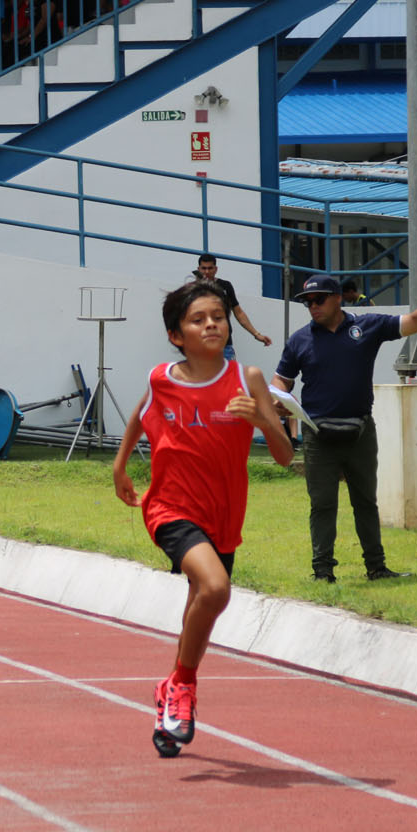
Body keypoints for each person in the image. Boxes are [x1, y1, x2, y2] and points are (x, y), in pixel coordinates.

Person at [113, 281, 292, 758]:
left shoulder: (248, 378)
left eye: (218, 316)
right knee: (215, 588)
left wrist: (263, 420)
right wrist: (120, 466)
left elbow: (285, 457)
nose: (212, 324)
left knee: (203, 602)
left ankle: (172, 692)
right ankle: (183, 684)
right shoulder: (161, 379)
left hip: (224, 516)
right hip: (170, 508)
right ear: (177, 335)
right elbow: (141, 414)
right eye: (198, 319)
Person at [271, 267, 417, 583]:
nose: (312, 306)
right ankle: (322, 571)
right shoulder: (299, 340)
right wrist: (278, 396)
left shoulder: (367, 326)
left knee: (366, 502)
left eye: (318, 299)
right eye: (307, 302)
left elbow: (413, 322)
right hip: (318, 435)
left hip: (360, 431)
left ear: (337, 298)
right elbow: (282, 379)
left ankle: (376, 567)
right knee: (322, 504)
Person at [192, 253, 272, 357]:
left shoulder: (225, 286)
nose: (207, 272)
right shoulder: (192, 289)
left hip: (224, 346)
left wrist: (256, 334)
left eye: (210, 268)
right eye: (204, 268)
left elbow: (239, 313)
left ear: (216, 269)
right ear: (199, 269)